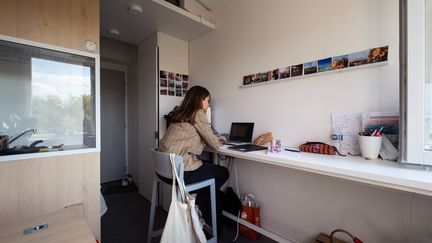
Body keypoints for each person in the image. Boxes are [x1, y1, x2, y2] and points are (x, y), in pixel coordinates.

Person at [159, 85, 229, 235]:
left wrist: (213, 137)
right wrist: (218, 139)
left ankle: (201, 210)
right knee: (223, 173)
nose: (208, 105)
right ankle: (204, 213)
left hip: (165, 171)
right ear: (200, 100)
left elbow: (192, 135)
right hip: (180, 172)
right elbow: (215, 146)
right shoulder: (198, 113)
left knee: (210, 173)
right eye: (207, 101)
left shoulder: (179, 114)